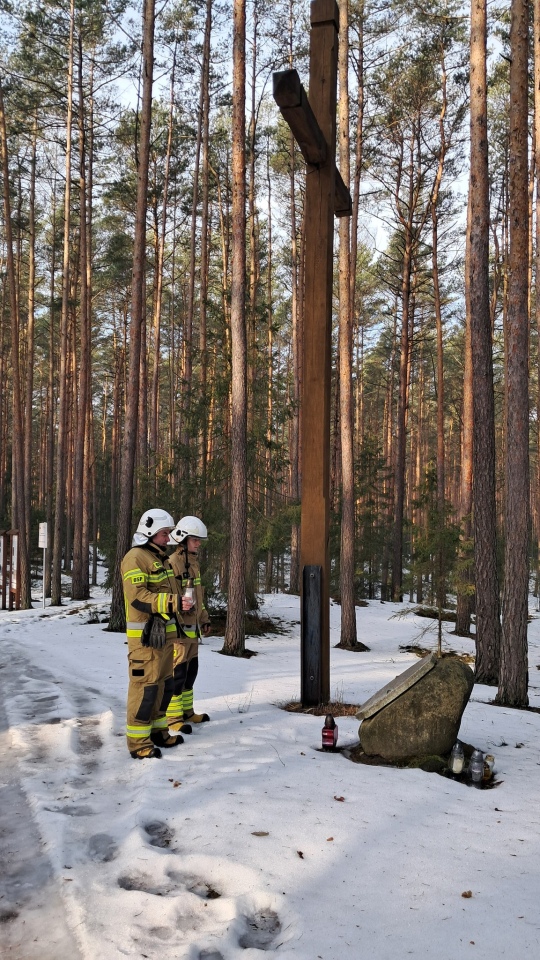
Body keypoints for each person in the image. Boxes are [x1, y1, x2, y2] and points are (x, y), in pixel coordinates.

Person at [121, 508, 187, 759]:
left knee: (164, 687)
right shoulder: (135, 558)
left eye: (168, 533)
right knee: (145, 689)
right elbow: (138, 597)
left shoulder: (160, 559)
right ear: (148, 532)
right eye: (163, 534)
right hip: (145, 641)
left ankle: (159, 732)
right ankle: (138, 744)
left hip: (163, 638)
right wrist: (173, 602)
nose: (168, 538)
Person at [166, 516, 211, 733]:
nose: (198, 543)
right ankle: (172, 717)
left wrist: (204, 619)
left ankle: (187, 711)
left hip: (193, 629)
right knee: (178, 672)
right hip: (179, 630)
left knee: (191, 670)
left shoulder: (193, 563)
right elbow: (172, 597)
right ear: (183, 540)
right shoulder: (173, 563)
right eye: (194, 540)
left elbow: (197, 597)